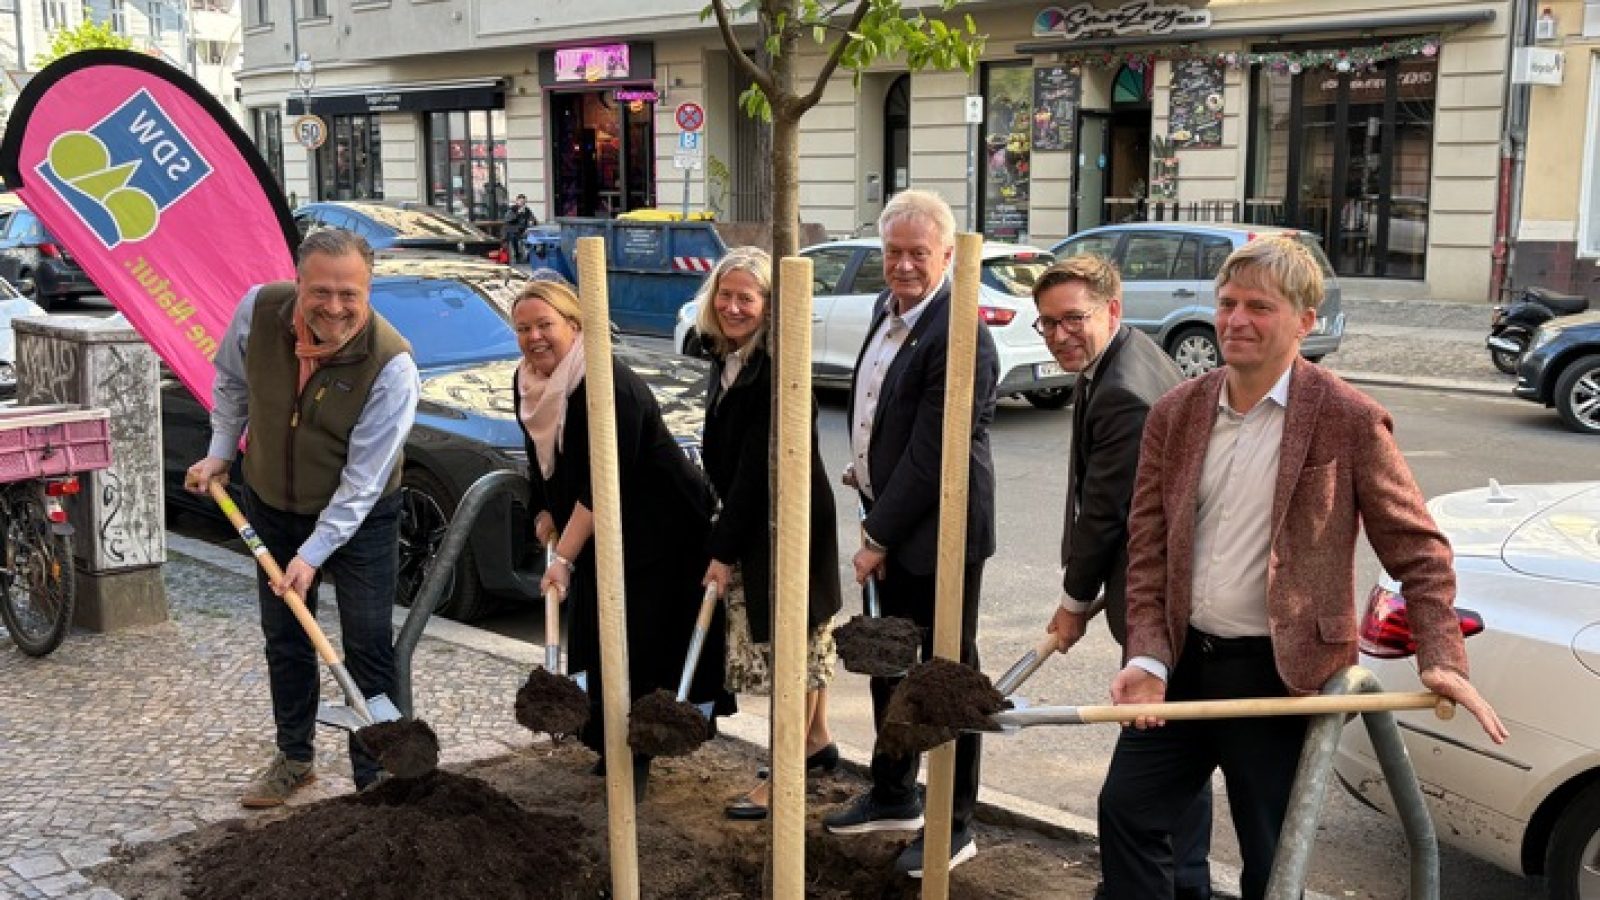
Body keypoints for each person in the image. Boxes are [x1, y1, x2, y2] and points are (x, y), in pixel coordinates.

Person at [1098, 236, 1509, 900]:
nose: (1235, 320)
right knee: (1128, 812)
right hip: (1183, 668)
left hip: (1281, 679)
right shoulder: (1177, 412)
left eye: (1259, 306)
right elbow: (1147, 547)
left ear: (1305, 321)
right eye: (1227, 303)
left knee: (1273, 862)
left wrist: (1440, 655)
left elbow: (1419, 551)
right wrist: (1147, 658)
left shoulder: (1347, 419)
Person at [183, 229, 421, 807]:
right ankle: (294, 757)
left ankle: (378, 776)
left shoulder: (392, 367)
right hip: (269, 501)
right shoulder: (259, 312)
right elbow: (233, 384)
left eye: (349, 294)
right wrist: (220, 450)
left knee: (366, 646)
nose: (334, 307)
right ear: (297, 284)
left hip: (360, 519)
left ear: (368, 291)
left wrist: (312, 557)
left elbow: (362, 484)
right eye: (320, 291)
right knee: (286, 639)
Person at [821, 189, 999, 878]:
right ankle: (896, 792)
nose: (902, 266)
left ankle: (955, 825)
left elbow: (937, 454)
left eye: (918, 254)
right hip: (888, 515)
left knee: (947, 677)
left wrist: (878, 535)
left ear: (947, 256)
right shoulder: (884, 309)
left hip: (938, 533)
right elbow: (875, 403)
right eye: (892, 253)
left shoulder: (961, 333)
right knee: (888, 663)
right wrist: (862, 467)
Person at [1030, 256, 1211, 899]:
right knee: (1177, 766)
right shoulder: (1120, 359)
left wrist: (1072, 603)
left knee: (1152, 769)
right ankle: (1183, 883)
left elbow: (1105, 514)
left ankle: (1159, 885)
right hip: (1162, 599)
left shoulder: (1127, 391)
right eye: (1046, 323)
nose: (1058, 335)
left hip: (1160, 610)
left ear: (1113, 309)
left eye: (1072, 319)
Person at [513, 279, 734, 799]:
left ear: (575, 325)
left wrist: (563, 557)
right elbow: (540, 460)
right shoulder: (528, 381)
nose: (534, 337)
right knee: (595, 636)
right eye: (524, 328)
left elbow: (602, 486)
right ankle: (606, 744)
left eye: (545, 325)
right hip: (601, 525)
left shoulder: (606, 384)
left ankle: (637, 758)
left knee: (641, 642)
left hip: (661, 529)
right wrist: (543, 508)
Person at [690, 247, 844, 822]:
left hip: (786, 521)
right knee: (805, 639)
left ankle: (784, 777)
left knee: (792, 648)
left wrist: (722, 551)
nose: (733, 306)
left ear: (770, 306)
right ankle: (816, 739)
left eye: (746, 298)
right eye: (725, 295)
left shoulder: (774, 369)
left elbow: (759, 470)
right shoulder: (728, 355)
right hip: (766, 515)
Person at [504, 194, 536, 264]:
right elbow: (508, 219)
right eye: (521, 202)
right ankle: (517, 256)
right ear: (517, 201)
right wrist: (518, 213)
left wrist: (532, 221)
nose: (522, 204)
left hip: (524, 230)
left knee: (534, 236)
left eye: (524, 202)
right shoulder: (512, 209)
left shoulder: (527, 210)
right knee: (513, 237)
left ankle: (529, 256)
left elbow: (533, 219)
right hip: (514, 230)